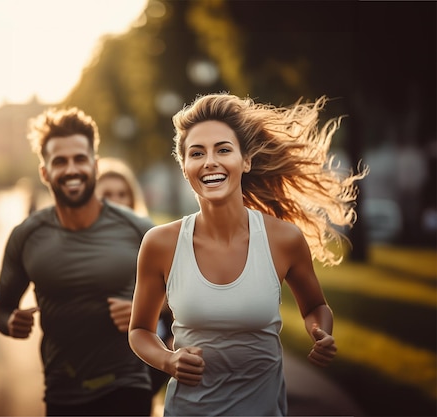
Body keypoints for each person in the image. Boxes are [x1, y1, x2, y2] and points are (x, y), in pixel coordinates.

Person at [128, 92, 368, 416]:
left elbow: (315, 306)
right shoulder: (160, 244)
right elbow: (140, 331)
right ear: (185, 167)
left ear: (246, 160)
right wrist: (167, 359)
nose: (210, 161)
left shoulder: (283, 240)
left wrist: (320, 331)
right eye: (196, 153)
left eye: (223, 150)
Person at [0, 107, 154, 416]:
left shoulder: (139, 230)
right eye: (59, 161)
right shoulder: (26, 236)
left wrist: (144, 311)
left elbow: (183, 300)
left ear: (94, 165)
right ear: (45, 172)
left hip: (128, 386)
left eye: (80, 159)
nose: (71, 169)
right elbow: (0, 308)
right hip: (62, 391)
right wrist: (10, 322)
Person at [95, 157, 173, 395]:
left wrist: (140, 311)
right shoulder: (81, 245)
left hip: (144, 351)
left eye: (122, 194)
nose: (117, 201)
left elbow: (173, 298)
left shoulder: (149, 239)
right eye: (107, 194)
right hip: (95, 355)